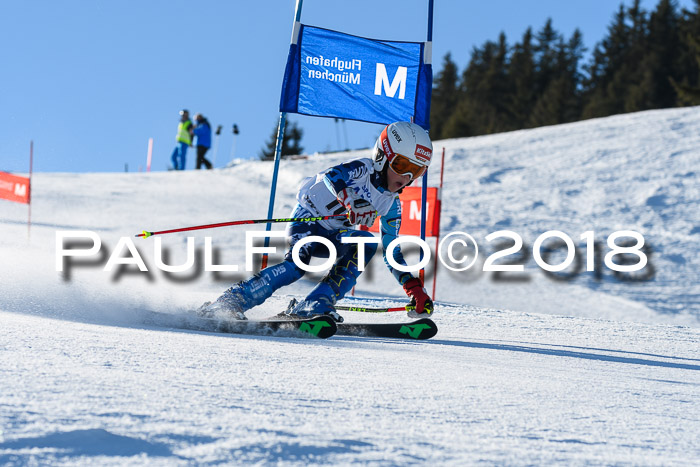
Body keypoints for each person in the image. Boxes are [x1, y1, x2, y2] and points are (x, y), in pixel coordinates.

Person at [201, 121, 434, 322]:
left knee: (366, 243)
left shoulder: (391, 204)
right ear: (383, 156)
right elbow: (332, 176)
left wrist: (413, 288)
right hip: (308, 220)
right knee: (296, 266)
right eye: (402, 166)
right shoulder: (362, 169)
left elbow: (392, 251)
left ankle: (316, 303)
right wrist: (350, 201)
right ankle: (230, 302)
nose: (407, 178)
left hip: (333, 235)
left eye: (417, 171)